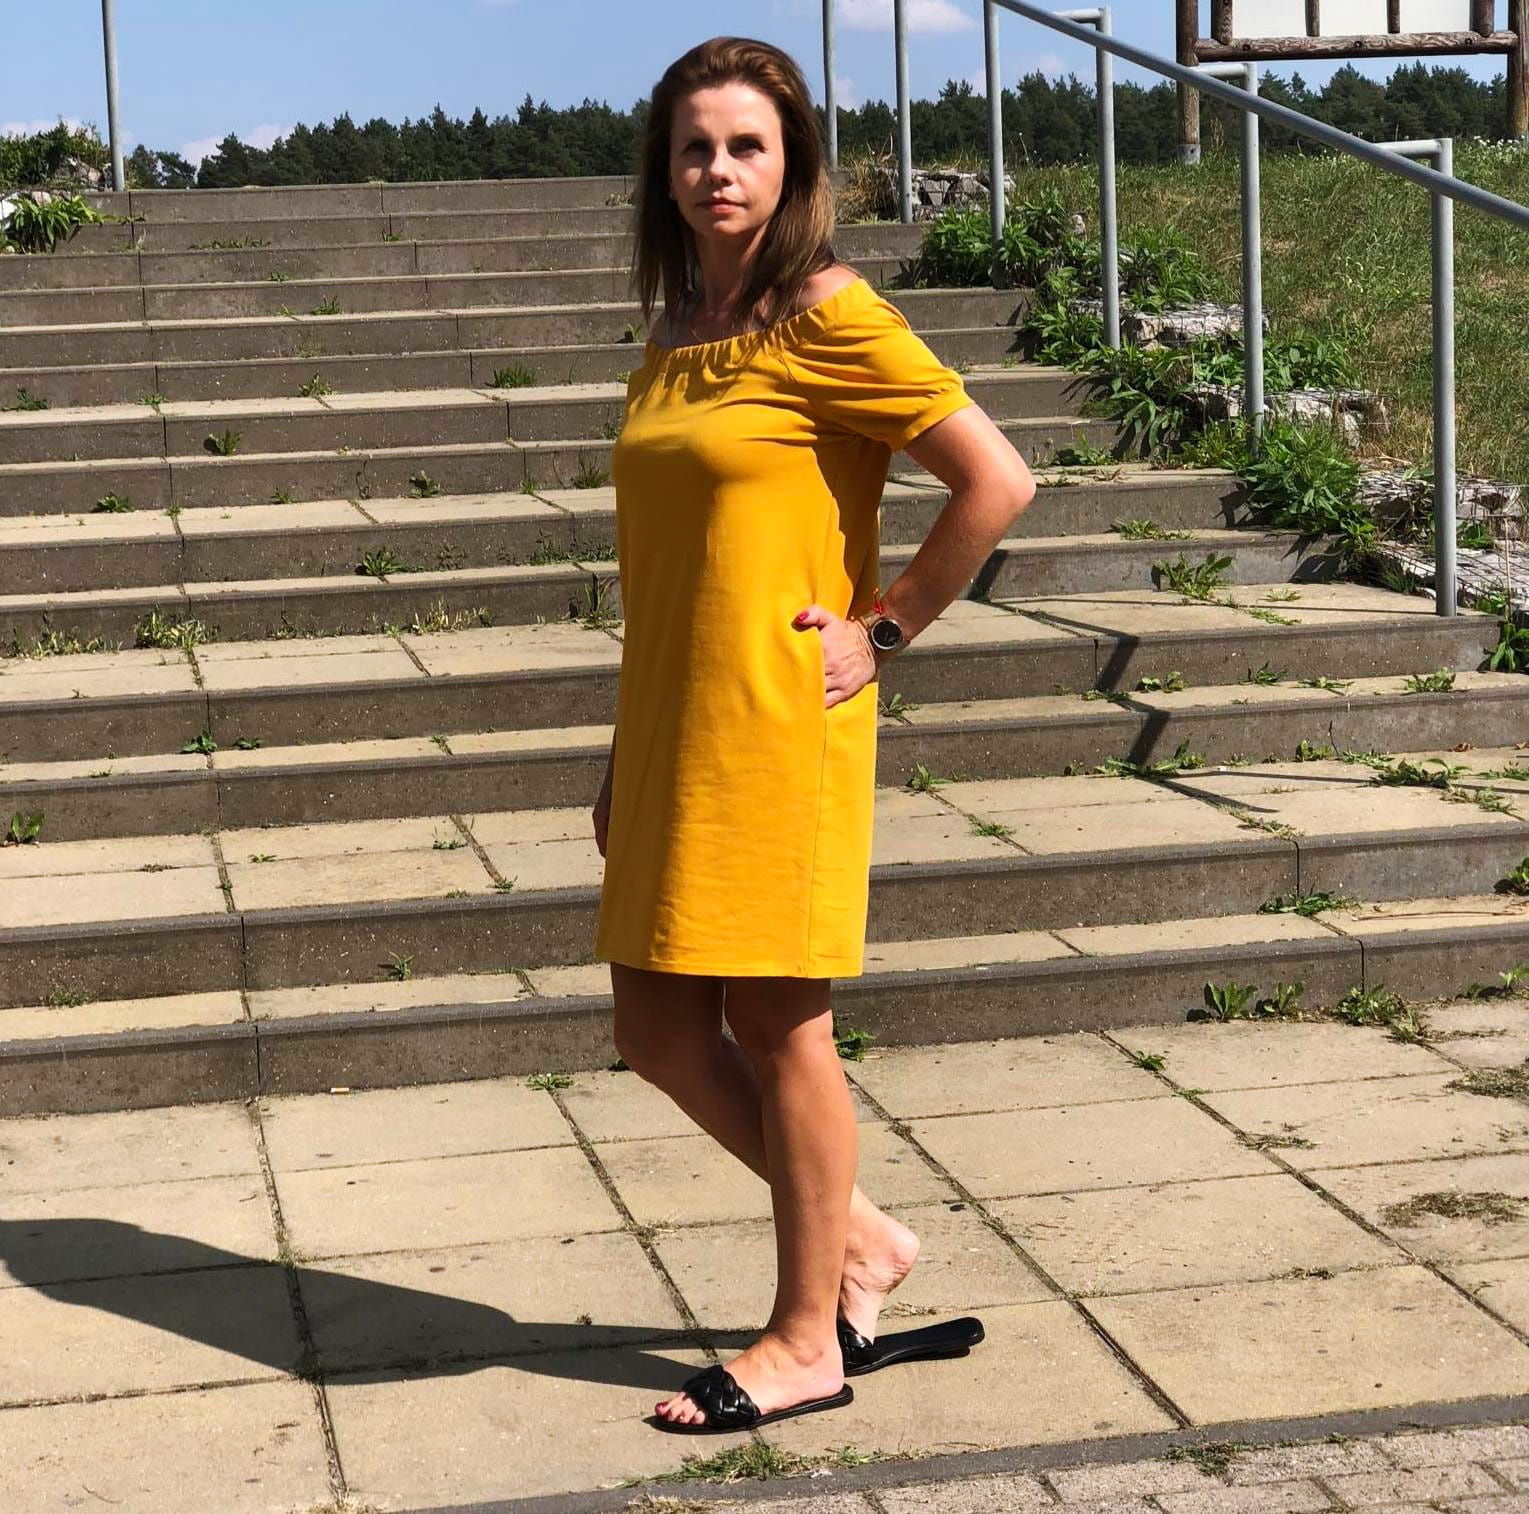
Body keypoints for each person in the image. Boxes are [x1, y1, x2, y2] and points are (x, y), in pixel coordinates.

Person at [590, 35, 1037, 1434]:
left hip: (780, 721)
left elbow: (994, 477)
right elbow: (674, 571)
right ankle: (862, 1240)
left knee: (779, 1021)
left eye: (747, 146)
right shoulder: (676, 334)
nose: (717, 170)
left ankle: (804, 1341)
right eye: (694, 147)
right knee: (656, 1025)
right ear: (662, 172)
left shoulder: (827, 314)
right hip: (674, 722)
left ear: (793, 169)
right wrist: (622, 754)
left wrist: (885, 624)